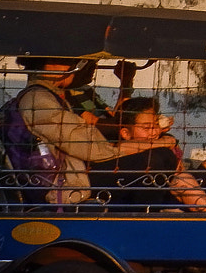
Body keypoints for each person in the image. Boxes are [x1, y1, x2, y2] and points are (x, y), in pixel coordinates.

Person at [14, 57, 175, 204]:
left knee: (161, 157)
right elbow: (86, 146)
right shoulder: (39, 99)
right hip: (69, 179)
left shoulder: (51, 96)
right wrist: (125, 150)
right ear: (54, 66)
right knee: (156, 159)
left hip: (84, 164)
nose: (81, 67)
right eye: (74, 63)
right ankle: (141, 216)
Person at [107, 97, 206, 212]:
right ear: (126, 133)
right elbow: (122, 148)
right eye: (146, 128)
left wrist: (167, 141)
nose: (153, 132)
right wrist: (167, 142)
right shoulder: (123, 148)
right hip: (157, 194)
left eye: (155, 125)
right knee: (182, 180)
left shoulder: (164, 140)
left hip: (185, 188)